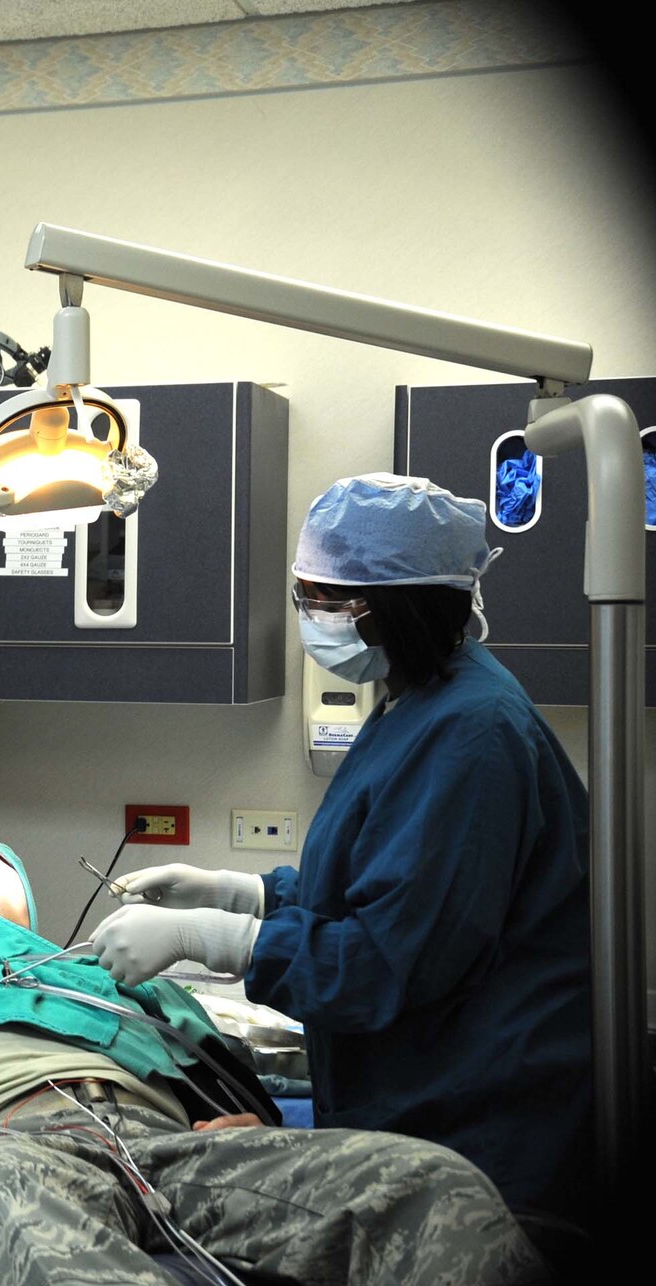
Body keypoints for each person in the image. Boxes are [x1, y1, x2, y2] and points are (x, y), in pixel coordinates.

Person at [89, 474, 592, 1223]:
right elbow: (379, 879)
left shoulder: (473, 735)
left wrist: (216, 938)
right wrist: (243, 893)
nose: (307, 616)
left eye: (321, 598)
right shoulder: (421, 697)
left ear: (391, 606)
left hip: (484, 1147)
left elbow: (393, 960)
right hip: (421, 1102)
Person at [0, 847, 548, 1286]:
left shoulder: (115, 973)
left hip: (171, 1147)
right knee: (12, 1205)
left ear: (29, 905)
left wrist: (253, 1128)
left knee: (432, 1186)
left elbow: (230, 1088)